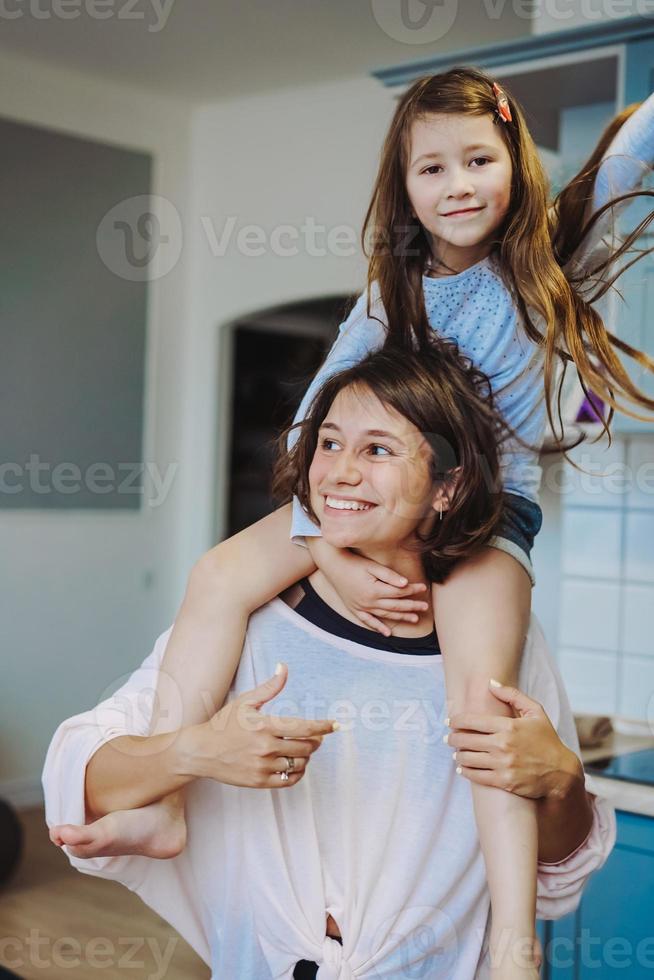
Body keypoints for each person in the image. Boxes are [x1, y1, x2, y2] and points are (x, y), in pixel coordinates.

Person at [45, 345, 616, 978]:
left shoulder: (506, 641)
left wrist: (561, 785)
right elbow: (83, 775)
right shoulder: (251, 619)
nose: (340, 472)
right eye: (330, 444)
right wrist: (196, 751)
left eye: (377, 450)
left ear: (446, 487)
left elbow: (560, 878)